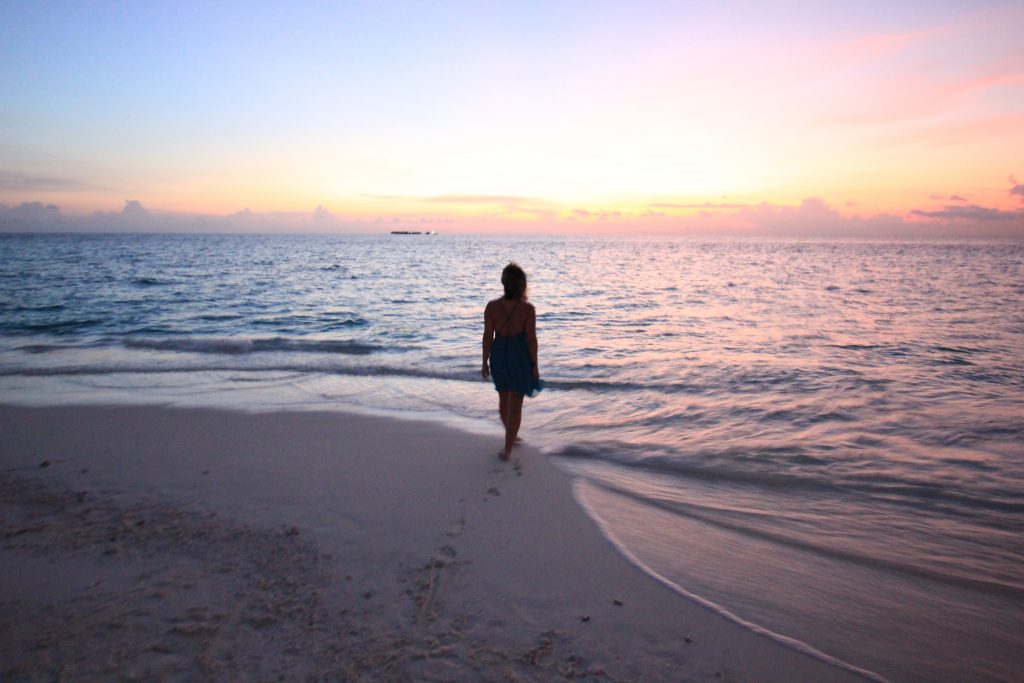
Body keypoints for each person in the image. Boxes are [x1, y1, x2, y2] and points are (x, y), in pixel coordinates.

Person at [481, 262, 541, 460]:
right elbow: (531, 339)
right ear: (522, 284)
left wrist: (484, 362)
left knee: (503, 398)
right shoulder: (527, 309)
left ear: (503, 283)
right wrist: (534, 365)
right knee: (516, 402)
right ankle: (508, 447)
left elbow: (488, 336)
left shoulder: (491, 307)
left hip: (498, 354)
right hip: (518, 356)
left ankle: (510, 437)